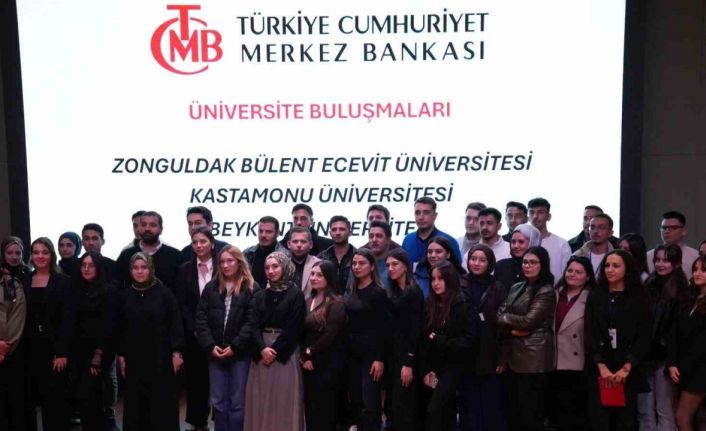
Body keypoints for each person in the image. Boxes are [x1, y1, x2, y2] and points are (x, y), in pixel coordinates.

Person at [116, 252, 184, 431]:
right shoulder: (124, 296)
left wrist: (177, 352)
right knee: (136, 405)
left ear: (151, 268)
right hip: (134, 360)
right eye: (135, 268)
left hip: (161, 359)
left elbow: (175, 324)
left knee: (162, 405)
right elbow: (120, 329)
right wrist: (121, 356)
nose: (139, 271)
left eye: (144, 267)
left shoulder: (164, 294)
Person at [585, 250, 652, 431]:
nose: (610, 270)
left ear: (627, 269)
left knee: (625, 421)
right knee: (599, 420)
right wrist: (601, 366)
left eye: (616, 266)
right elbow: (590, 332)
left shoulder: (639, 297)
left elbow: (644, 334)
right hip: (600, 366)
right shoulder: (596, 295)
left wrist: (627, 367)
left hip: (627, 367)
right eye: (607, 265)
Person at [195, 245, 259, 431]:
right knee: (218, 401)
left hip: (240, 354)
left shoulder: (252, 288)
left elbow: (252, 322)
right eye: (222, 261)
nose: (225, 265)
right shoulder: (211, 287)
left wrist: (235, 346)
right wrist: (210, 346)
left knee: (237, 403)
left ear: (239, 262)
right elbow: (201, 319)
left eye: (230, 261)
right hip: (215, 353)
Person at [245, 251, 306, 431]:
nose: (270, 271)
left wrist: (275, 351)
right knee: (260, 400)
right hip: (261, 352)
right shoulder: (259, 295)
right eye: (267, 267)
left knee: (283, 401)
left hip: (285, 354)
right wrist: (262, 349)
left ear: (285, 267)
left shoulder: (295, 295)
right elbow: (252, 325)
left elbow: (294, 328)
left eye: (275, 266)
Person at [496, 246, 556, 431]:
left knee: (530, 413)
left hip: (534, 358)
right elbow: (499, 314)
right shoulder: (517, 286)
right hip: (513, 355)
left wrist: (507, 319)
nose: (527, 266)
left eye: (533, 262)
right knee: (513, 411)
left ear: (542, 265)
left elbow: (527, 321)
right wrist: (512, 326)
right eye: (525, 262)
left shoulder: (546, 290)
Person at [23, 237, 75, 431]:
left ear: (52, 255)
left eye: (44, 252)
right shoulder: (25, 280)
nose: (40, 256)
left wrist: (62, 352)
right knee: (29, 399)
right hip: (29, 347)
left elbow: (68, 319)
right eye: (36, 252)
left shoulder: (64, 282)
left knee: (55, 401)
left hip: (54, 349)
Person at [419, 261, 475, 431]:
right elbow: (423, 339)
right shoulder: (430, 303)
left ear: (450, 280)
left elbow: (467, 341)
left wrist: (440, 340)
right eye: (433, 279)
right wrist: (426, 369)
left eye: (440, 279)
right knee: (444, 412)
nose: (436, 283)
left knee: (435, 410)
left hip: (455, 365)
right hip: (433, 365)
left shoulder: (463, 304)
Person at [458, 244, 508, 431]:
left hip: (489, 351)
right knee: (467, 402)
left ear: (490, 263)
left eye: (482, 260)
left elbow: (503, 325)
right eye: (473, 259)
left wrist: (503, 356)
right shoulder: (459, 283)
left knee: (489, 403)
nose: (476, 263)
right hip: (465, 350)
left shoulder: (498, 287)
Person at [637, 244, 687, 431]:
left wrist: (670, 358)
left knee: (664, 410)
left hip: (666, 358)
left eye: (666, 260)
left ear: (676, 263)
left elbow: (677, 331)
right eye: (657, 260)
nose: (660, 264)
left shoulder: (682, 291)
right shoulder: (648, 285)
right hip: (644, 354)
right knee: (644, 409)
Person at [175, 226, 219, 431]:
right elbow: (181, 302)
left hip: (220, 331)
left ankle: (221, 422)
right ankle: (198, 422)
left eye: (203, 241)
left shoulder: (223, 265)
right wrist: (194, 327)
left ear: (212, 243)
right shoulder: (184, 269)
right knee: (196, 379)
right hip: (193, 333)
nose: (199, 245)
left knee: (219, 379)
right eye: (195, 242)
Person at [71, 251, 117, 431]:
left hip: (99, 351)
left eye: (91, 265)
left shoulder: (109, 290)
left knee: (91, 395)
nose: (86, 268)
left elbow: (109, 325)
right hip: (79, 351)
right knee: (83, 398)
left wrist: (98, 355)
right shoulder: (77, 289)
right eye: (83, 265)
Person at [345, 248, 390, 431]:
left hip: (371, 355)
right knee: (356, 400)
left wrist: (379, 358)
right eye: (354, 263)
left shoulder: (378, 293)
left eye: (362, 263)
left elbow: (383, 328)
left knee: (370, 401)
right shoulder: (352, 291)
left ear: (372, 266)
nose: (357, 267)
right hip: (352, 353)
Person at [300, 260, 347, 431]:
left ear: (329, 277)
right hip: (307, 362)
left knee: (325, 410)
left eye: (319, 275)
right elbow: (301, 331)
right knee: (310, 408)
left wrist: (310, 352)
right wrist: (304, 355)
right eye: (312, 274)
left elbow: (330, 334)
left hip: (327, 362)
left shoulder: (337, 302)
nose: (314, 278)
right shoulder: (307, 300)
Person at [550, 256, 595, 431]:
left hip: (578, 363)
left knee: (575, 413)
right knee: (556, 413)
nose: (573, 274)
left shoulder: (592, 298)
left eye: (578, 272)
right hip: (553, 361)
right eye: (570, 270)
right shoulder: (554, 294)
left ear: (588, 277)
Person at [385, 248, 424, 431]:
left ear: (406, 266)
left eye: (395, 264)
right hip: (393, 355)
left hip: (407, 356)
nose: (390, 269)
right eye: (388, 265)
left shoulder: (413, 291)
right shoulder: (393, 291)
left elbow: (415, 329)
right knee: (394, 406)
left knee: (405, 406)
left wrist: (408, 362)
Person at [666, 255, 706, 431]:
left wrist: (682, 366)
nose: (697, 273)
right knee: (698, 418)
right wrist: (672, 362)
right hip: (683, 366)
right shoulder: (689, 298)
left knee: (683, 417)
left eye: (703, 270)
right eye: (695, 269)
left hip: (700, 370)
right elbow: (674, 332)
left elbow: (702, 344)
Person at [116, 210, 185, 292]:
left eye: (152, 225)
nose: (147, 229)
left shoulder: (175, 256)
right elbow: (118, 284)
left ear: (161, 229)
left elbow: (181, 288)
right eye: (143, 225)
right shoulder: (126, 255)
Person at [0, 240, 27, 431]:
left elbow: (19, 315)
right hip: (2, 345)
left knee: (19, 397)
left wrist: (8, 344)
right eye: (10, 253)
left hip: (20, 345)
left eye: (18, 253)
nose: (14, 257)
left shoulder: (27, 275)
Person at [402, 197, 462, 266]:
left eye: (426, 213)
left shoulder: (449, 241)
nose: (421, 217)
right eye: (417, 213)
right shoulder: (407, 240)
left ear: (435, 216)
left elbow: (457, 270)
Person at [528, 197, 571, 284]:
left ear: (548, 216)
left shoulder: (561, 244)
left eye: (540, 212)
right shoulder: (522, 243)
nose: (535, 216)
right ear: (528, 217)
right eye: (532, 212)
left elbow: (567, 275)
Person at [647, 211, 700, 278]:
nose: (667, 231)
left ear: (684, 231)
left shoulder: (695, 256)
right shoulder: (648, 256)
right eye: (664, 228)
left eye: (673, 228)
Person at [243, 216, 288, 289]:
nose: (263, 235)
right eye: (260, 231)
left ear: (277, 233)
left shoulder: (285, 256)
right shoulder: (248, 253)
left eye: (268, 232)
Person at [494, 224, 542, 291]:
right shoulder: (501, 266)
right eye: (513, 242)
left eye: (521, 242)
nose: (516, 246)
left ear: (532, 242)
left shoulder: (539, 269)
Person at [317, 215, 357, 292]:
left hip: (353, 298)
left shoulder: (358, 257)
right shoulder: (321, 258)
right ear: (330, 233)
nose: (337, 233)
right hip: (327, 299)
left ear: (350, 232)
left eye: (342, 229)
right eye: (334, 230)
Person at [287, 227, 321, 297]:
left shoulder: (319, 265)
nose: (299, 245)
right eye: (295, 241)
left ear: (311, 244)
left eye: (303, 242)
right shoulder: (281, 266)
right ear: (289, 244)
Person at [368, 220, 396, 287]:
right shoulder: (360, 265)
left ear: (388, 240)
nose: (374, 240)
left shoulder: (396, 267)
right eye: (371, 236)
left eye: (379, 236)